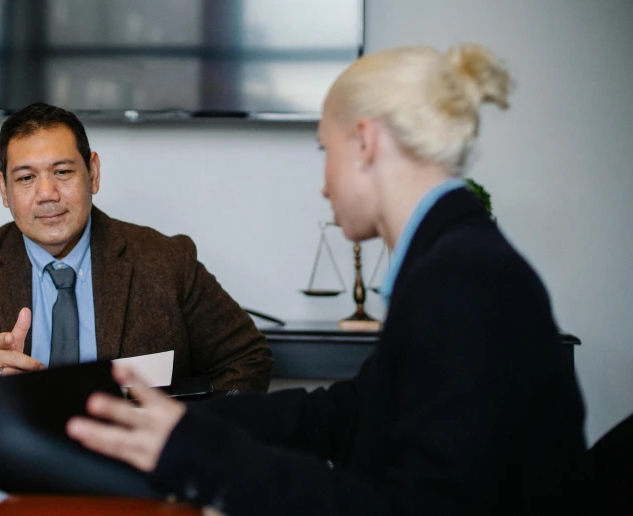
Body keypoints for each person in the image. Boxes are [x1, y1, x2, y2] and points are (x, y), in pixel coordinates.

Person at [65, 44, 587, 515]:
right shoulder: (451, 263)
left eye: (324, 151)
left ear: (364, 142)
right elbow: (342, 415)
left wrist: (205, 457)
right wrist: (187, 427)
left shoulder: (465, 282)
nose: (323, 185)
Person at [0, 103, 273, 393]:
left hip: (135, 469)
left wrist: (199, 440)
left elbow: (248, 357)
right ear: (2, 188)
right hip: (13, 468)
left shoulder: (165, 259)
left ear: (93, 172)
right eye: (25, 178)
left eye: (62, 172)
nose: (47, 194)